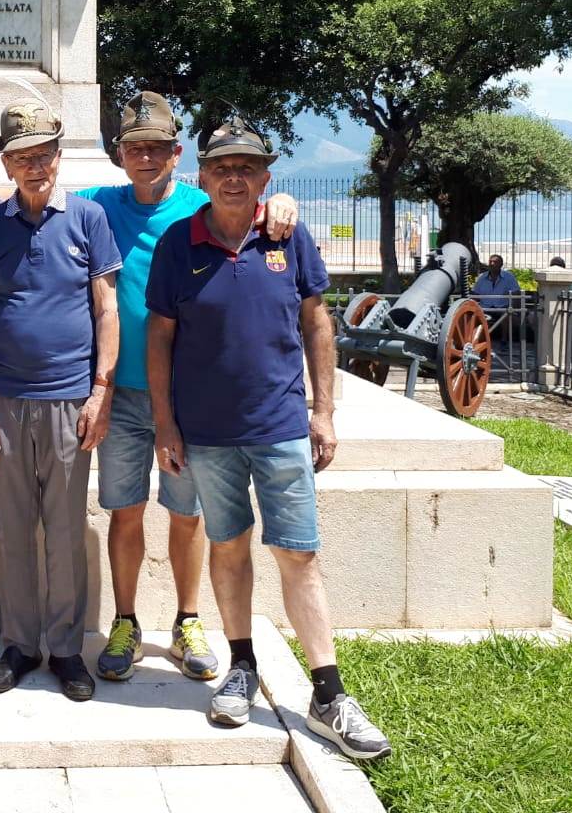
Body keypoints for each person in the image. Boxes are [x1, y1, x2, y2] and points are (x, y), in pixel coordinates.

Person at [147, 114, 391, 760]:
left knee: (298, 555)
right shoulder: (178, 244)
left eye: (246, 168)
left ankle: (328, 691)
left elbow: (317, 325)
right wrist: (165, 425)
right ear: (200, 176)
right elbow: (160, 337)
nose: (233, 178)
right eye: (222, 168)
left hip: (280, 426)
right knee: (227, 549)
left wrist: (325, 410)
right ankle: (242, 665)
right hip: (206, 433)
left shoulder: (289, 234)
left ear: (264, 177)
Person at [77, 92, 297, 684]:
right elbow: (27, 192)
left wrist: (282, 200)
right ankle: (124, 621)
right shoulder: (96, 206)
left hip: (188, 395)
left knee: (187, 515)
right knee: (124, 511)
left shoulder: (208, 205)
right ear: (118, 155)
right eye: (133, 148)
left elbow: (257, 208)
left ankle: (186, 619)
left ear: (178, 154)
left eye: (157, 148)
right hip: (121, 394)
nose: (145, 158)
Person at [0, 101, 120, 702]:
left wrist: (101, 390)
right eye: (22, 156)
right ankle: (23, 646)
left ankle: (67, 649)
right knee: (13, 528)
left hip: (69, 402)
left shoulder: (88, 219)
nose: (36, 166)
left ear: (60, 155)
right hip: (5, 400)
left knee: (63, 530)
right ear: (5, 163)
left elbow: (106, 309)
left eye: (45, 153)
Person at [472, 253, 523, 345]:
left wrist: (516, 310)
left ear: (501, 264)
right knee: (476, 314)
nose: (492, 264)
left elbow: (516, 293)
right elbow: (475, 294)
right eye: (490, 262)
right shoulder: (482, 278)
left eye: (495, 262)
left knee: (506, 313)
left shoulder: (509, 277)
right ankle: (480, 341)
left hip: (502, 307)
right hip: (485, 307)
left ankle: (504, 340)